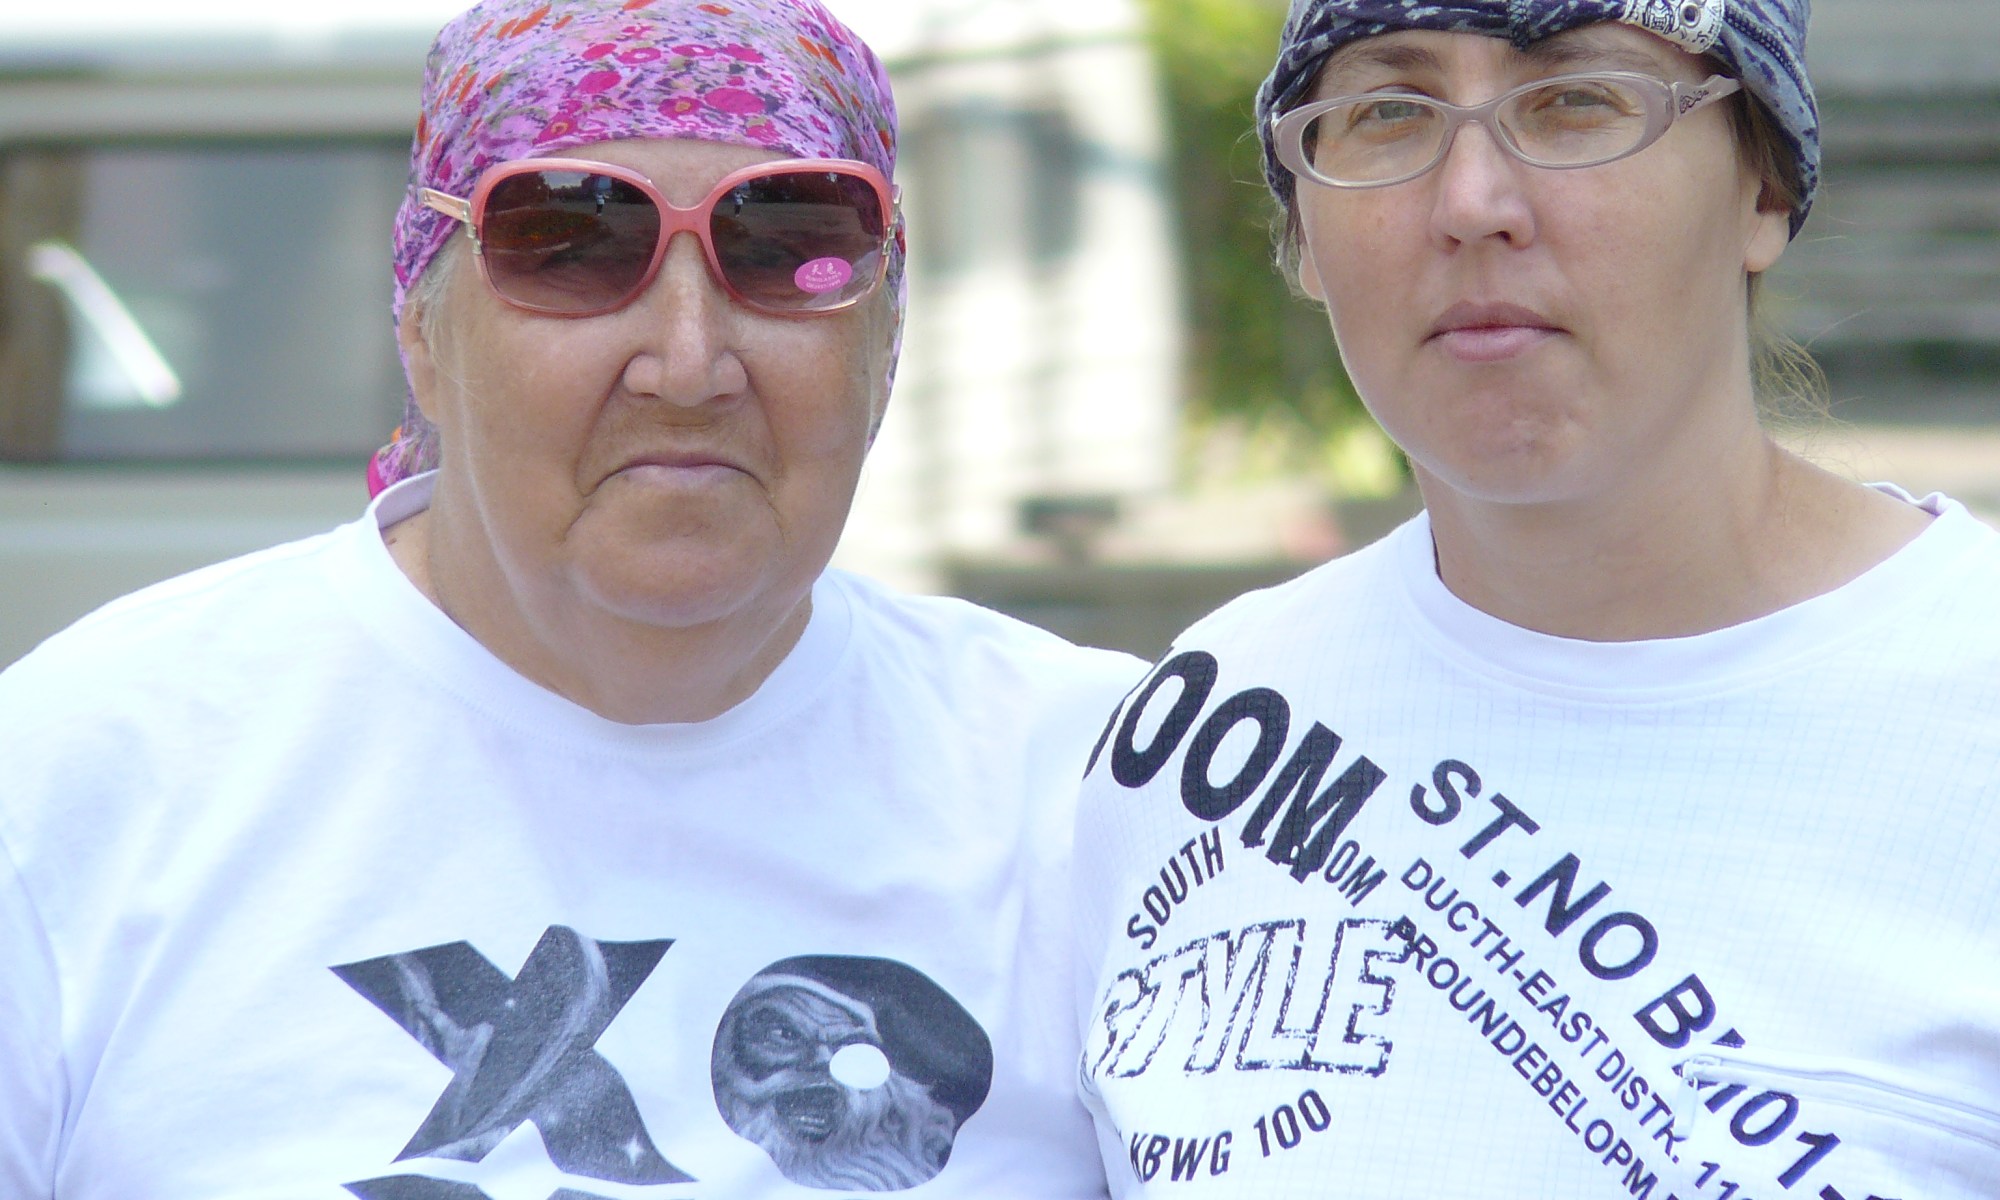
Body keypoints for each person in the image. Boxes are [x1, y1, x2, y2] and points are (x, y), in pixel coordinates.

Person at [0, 2, 1139, 1196]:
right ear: (422, 329)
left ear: (886, 336)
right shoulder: (81, 780)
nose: (688, 362)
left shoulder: (1096, 793)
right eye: (572, 248)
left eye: (785, 244)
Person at [1069, 1, 2000, 1196]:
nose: (1470, 204)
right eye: (1386, 114)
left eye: (1575, 102)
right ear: (1302, 231)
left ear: (1761, 189)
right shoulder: (1200, 737)